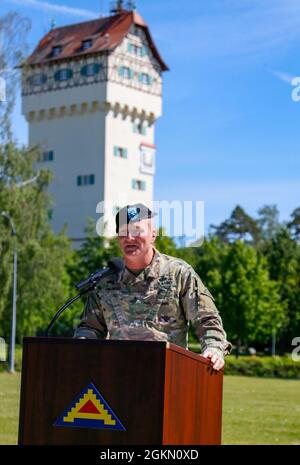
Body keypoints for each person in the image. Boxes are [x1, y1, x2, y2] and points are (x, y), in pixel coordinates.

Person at [74, 203, 231, 371]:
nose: (129, 238)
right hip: (118, 375)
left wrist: (213, 348)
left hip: (169, 375)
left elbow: (207, 319)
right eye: (123, 232)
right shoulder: (106, 281)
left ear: (153, 235)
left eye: (136, 231)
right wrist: (81, 344)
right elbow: (90, 327)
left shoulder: (177, 273)